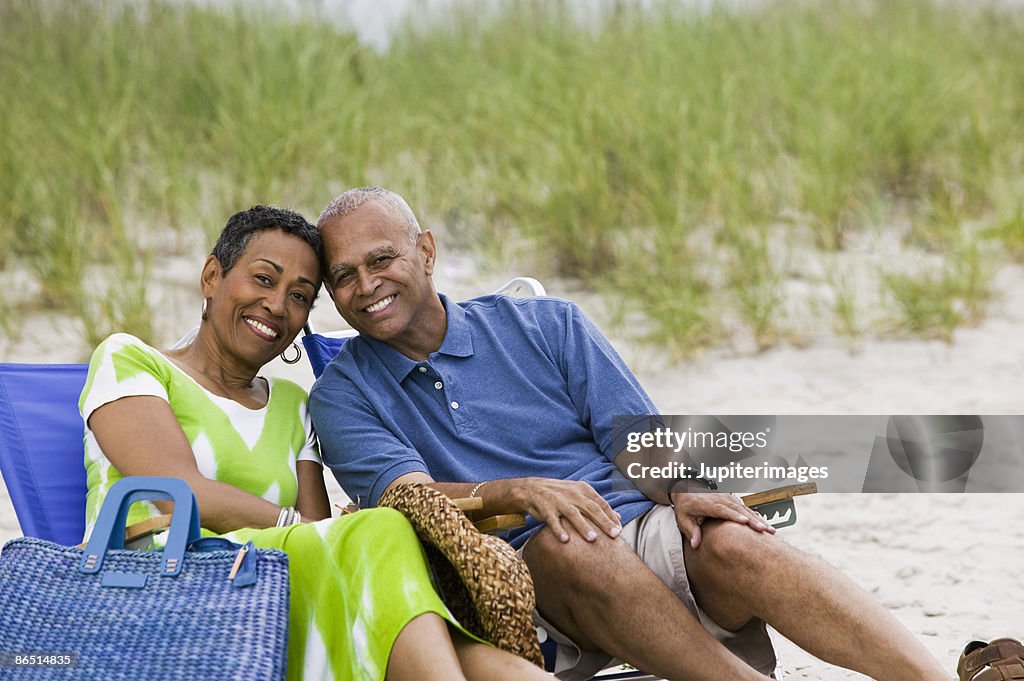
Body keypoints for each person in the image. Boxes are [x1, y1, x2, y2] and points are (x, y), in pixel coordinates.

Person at [308, 186, 953, 681]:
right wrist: (518, 491)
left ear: (425, 249)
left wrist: (685, 486)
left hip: (639, 530)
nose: (366, 286)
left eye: (382, 259)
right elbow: (406, 498)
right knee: (571, 543)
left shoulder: (544, 324)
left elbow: (635, 438)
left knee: (734, 538)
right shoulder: (343, 395)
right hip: (525, 576)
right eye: (343, 276)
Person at [80, 205, 552, 681]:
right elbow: (177, 489)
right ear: (211, 276)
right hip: (165, 588)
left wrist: (318, 530)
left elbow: (319, 532)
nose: (278, 305)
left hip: (270, 597)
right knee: (382, 538)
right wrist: (297, 524)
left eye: (300, 295)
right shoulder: (131, 360)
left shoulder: (291, 402)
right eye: (264, 280)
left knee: (425, 627)